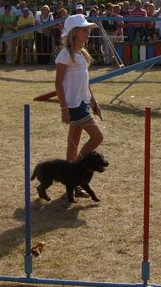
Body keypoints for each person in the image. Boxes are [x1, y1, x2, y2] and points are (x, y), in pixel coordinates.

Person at [55, 14, 104, 199]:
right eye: (84, 29)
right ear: (74, 33)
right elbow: (58, 84)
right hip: (74, 106)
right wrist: (64, 108)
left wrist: (93, 101)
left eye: (88, 29)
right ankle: (76, 169)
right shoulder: (65, 55)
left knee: (72, 144)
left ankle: (71, 182)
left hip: (83, 103)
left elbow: (85, 82)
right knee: (97, 137)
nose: (88, 32)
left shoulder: (82, 54)